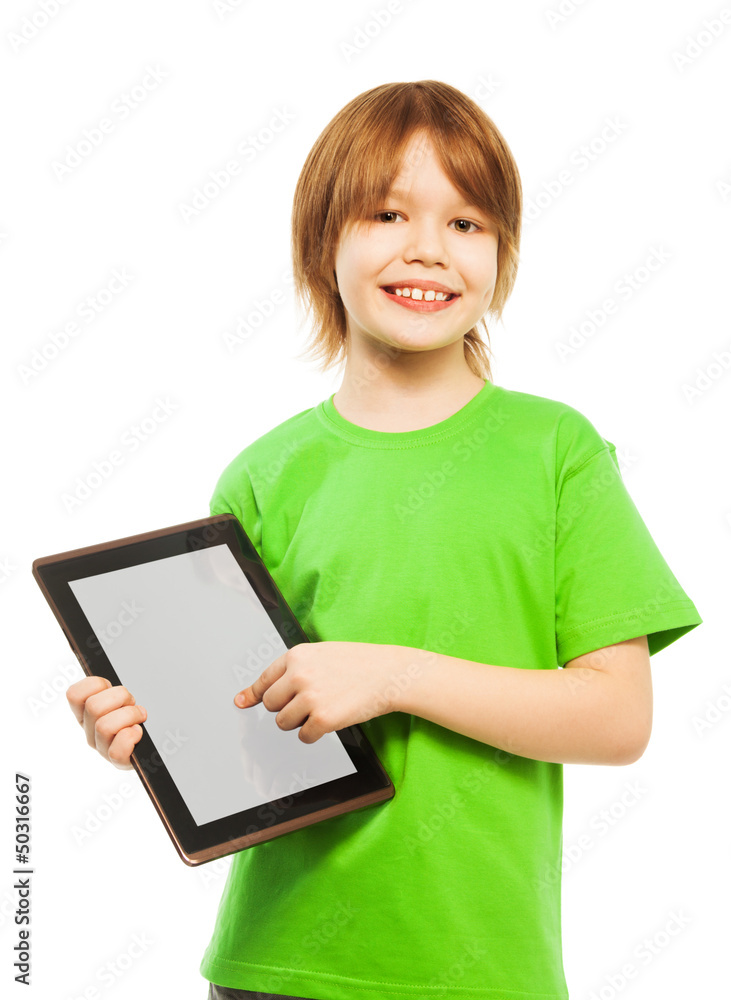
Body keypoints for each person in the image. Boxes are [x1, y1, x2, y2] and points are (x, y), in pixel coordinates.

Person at [67, 80, 703, 1000]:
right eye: (387, 213)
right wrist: (148, 735)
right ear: (323, 242)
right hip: (275, 966)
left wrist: (397, 677)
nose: (425, 250)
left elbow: (616, 719)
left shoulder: (554, 450)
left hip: (484, 972)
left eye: (467, 223)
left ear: (502, 255)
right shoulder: (263, 475)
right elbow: (250, 745)